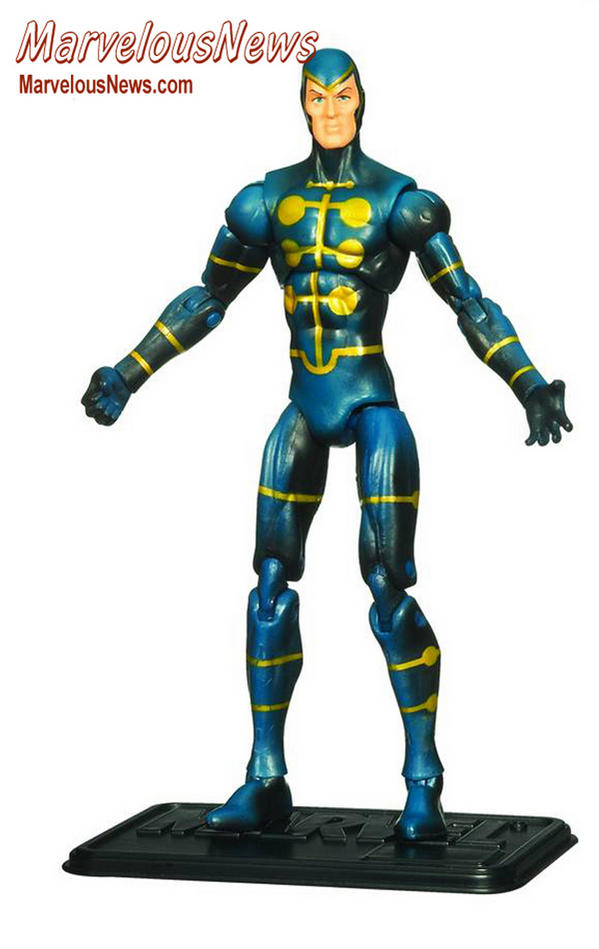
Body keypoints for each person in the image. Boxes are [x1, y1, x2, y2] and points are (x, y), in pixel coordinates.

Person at [82, 48, 572, 840]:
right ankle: (264, 778)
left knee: (386, 585)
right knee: (268, 587)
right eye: (318, 97)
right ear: (303, 105)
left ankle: (423, 784)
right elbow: (208, 296)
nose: (332, 109)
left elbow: (467, 300)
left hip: (371, 401)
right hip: (303, 405)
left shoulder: (399, 203)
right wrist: (128, 373)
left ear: (361, 100)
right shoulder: (266, 201)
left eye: (343, 95)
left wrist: (528, 382)